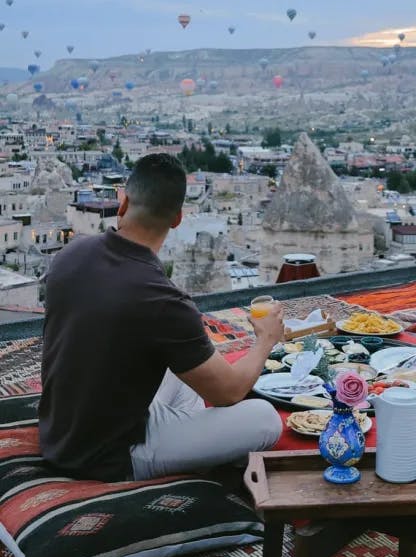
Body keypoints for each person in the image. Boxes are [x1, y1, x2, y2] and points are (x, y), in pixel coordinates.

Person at [39, 153, 283, 482]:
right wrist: (265, 339)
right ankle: (192, 463)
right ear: (178, 219)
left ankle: (193, 451)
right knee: (265, 418)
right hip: (110, 455)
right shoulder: (162, 299)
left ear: (123, 203)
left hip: (61, 432)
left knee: (186, 371)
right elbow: (228, 393)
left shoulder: (69, 256)